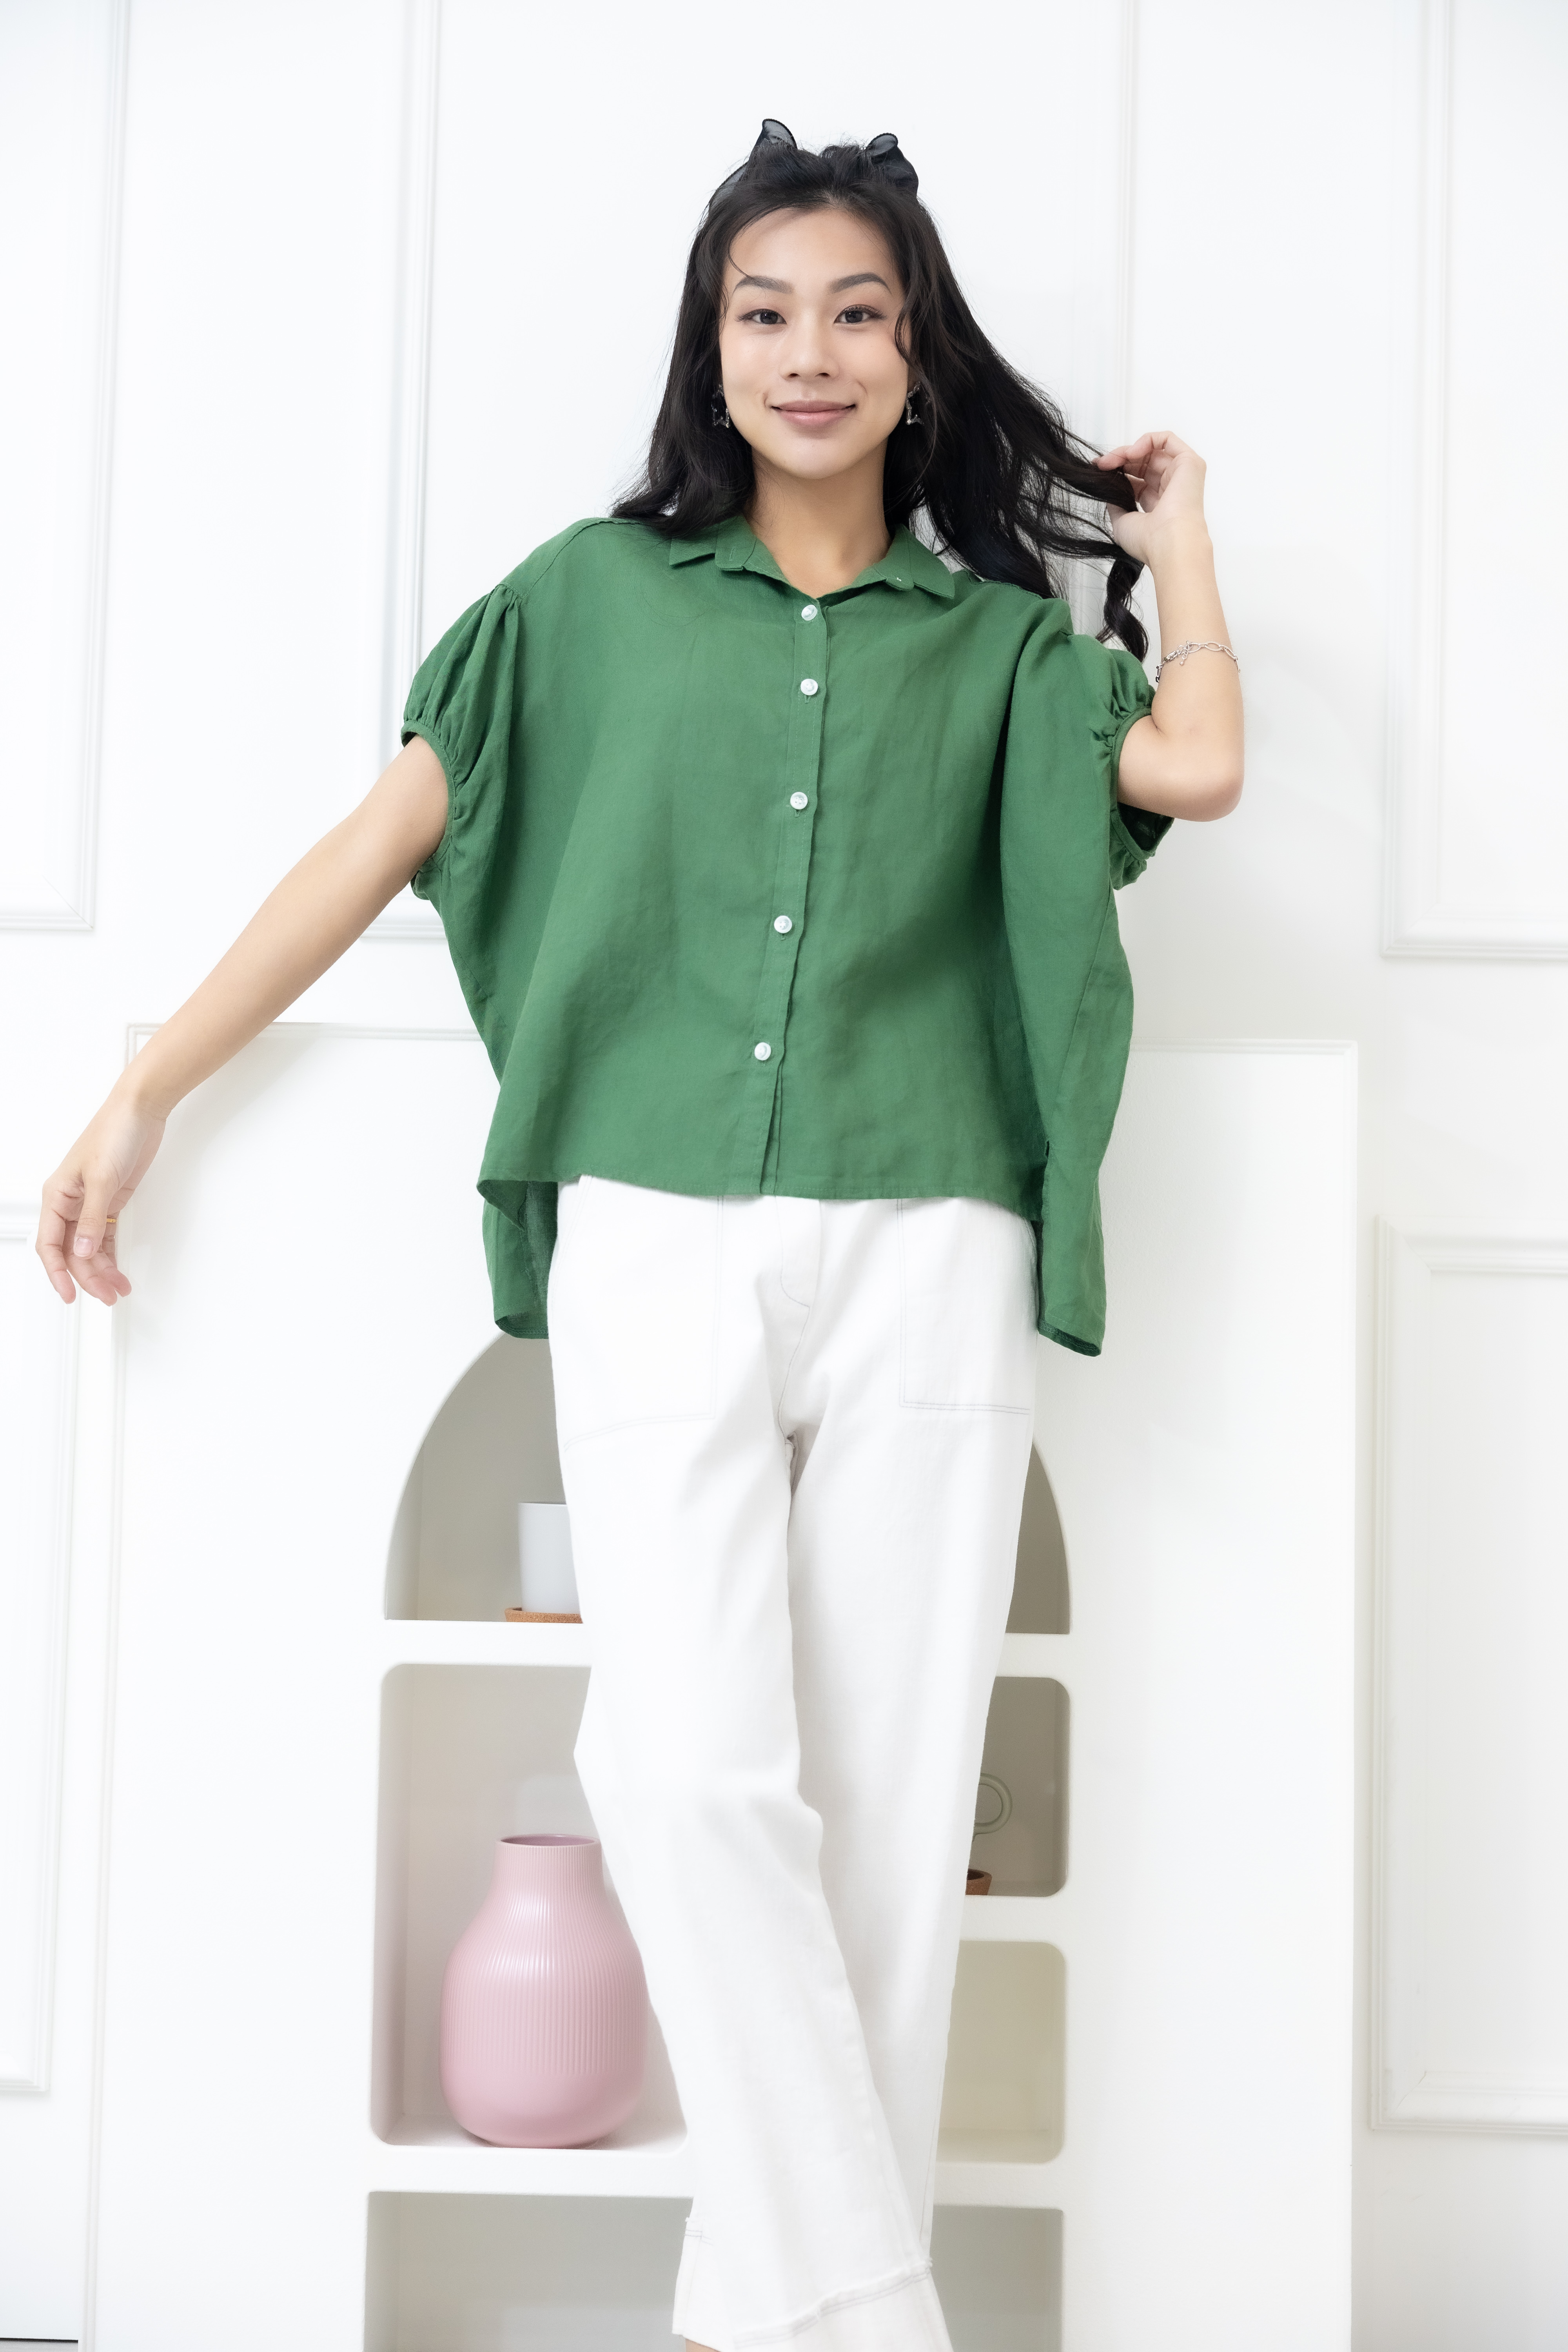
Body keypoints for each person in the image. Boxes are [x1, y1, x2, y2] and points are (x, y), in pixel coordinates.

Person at [38, 121, 1242, 2352]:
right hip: (653, 1228)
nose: (812, 351)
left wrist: (1174, 543)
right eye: (766, 310)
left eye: (859, 312)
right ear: (712, 345)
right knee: (680, 1771)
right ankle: (877, 2313)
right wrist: (151, 1081)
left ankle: (757, 2320)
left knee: (881, 1830)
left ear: (916, 353)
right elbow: (377, 839)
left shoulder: (998, 645)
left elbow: (1198, 764)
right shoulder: (582, 605)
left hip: (931, 1242)